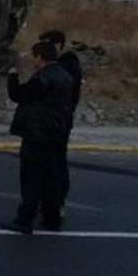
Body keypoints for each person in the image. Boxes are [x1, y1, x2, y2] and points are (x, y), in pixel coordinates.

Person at [1, 40, 74, 235]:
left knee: (31, 178)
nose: (32, 60)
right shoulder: (65, 76)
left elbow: (19, 95)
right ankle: (52, 218)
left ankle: (25, 219)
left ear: (40, 57)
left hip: (37, 135)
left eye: (34, 56)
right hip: (56, 134)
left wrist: (12, 76)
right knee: (51, 178)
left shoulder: (43, 78)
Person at [39, 29, 82, 212]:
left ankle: (56, 202)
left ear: (57, 45)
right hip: (57, 120)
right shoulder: (63, 66)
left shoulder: (65, 66)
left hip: (58, 121)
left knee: (55, 162)